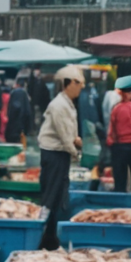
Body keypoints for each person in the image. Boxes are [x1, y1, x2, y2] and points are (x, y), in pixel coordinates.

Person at [35, 66, 86, 249]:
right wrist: (76, 152)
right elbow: (65, 137)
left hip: (60, 155)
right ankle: (43, 238)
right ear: (69, 83)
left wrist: (75, 143)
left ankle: (50, 238)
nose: (81, 88)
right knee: (51, 197)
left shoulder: (67, 104)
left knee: (57, 198)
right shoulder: (59, 105)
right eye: (79, 84)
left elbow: (70, 134)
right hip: (54, 155)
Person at [0, 76, 33, 145]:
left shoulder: (13, 94)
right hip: (20, 128)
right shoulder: (24, 95)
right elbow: (28, 113)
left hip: (10, 128)